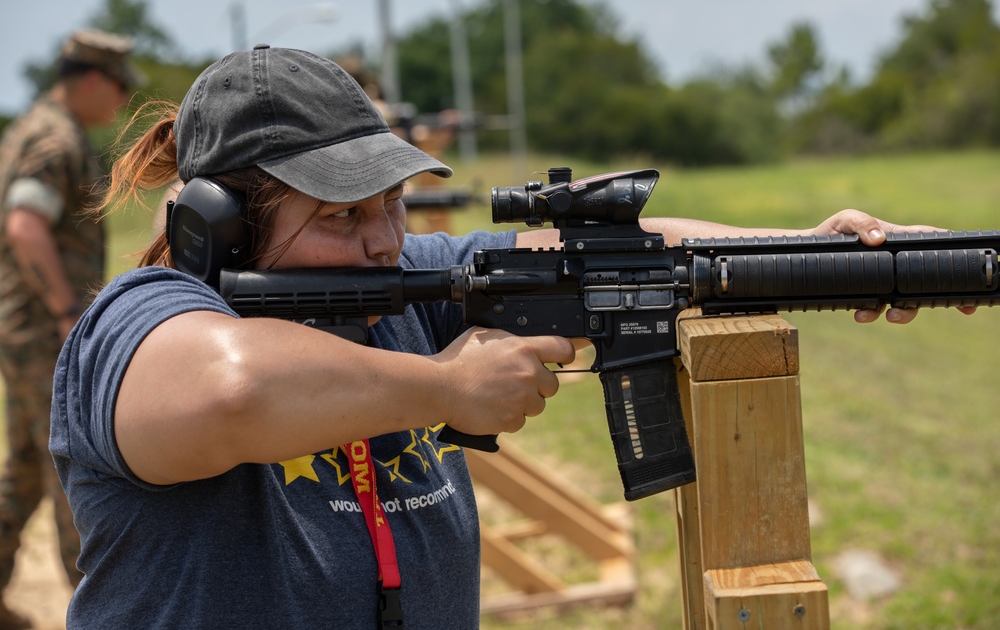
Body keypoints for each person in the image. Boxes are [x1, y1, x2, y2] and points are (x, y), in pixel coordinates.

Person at [49, 45, 966, 629]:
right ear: (225, 227)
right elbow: (231, 389)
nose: (382, 240)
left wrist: (820, 250)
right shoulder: (133, 325)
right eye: (342, 215)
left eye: (393, 204)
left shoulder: (396, 282)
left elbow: (623, 253)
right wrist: (444, 388)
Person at [0, 28, 140, 629]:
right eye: (118, 87)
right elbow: (26, 225)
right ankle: (104, 611)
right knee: (72, 470)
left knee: (28, 467)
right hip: (42, 331)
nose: (122, 102)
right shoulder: (55, 139)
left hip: (24, 328)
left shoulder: (32, 126)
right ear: (90, 79)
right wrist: (66, 313)